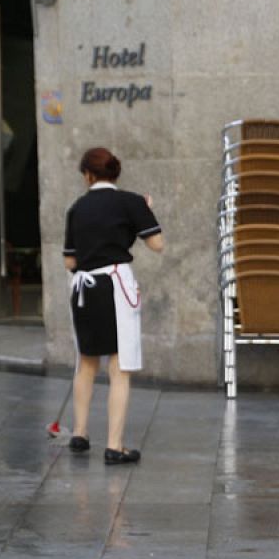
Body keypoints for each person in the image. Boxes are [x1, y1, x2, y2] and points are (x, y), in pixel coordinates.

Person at [62, 148, 164, 464]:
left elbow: (70, 260)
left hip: (84, 287)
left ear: (88, 176)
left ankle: (79, 432)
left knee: (87, 361)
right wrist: (140, 217)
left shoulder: (77, 207)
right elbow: (157, 244)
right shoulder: (131, 202)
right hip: (116, 284)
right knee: (118, 367)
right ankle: (114, 445)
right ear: (114, 173)